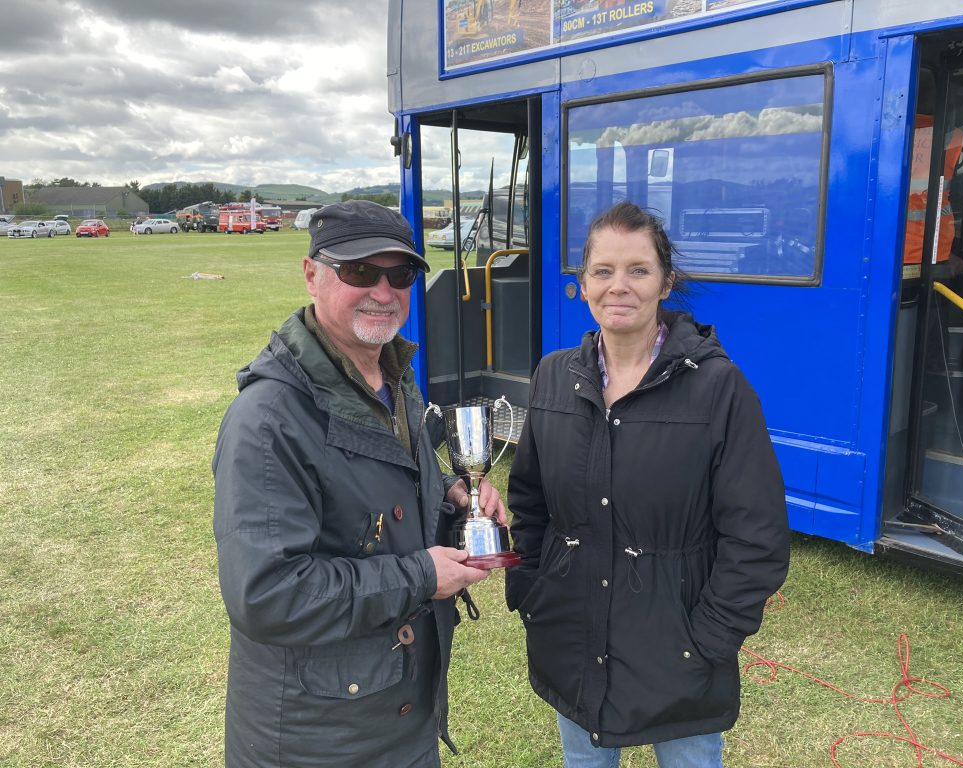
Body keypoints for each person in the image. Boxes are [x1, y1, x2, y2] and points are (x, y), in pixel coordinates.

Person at [212, 200, 505, 768]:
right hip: (317, 737)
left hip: (401, 711)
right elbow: (267, 594)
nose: (383, 291)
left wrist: (452, 495)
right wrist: (423, 574)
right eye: (359, 271)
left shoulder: (392, 374)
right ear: (311, 274)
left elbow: (377, 490)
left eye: (400, 275)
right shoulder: (267, 419)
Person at [505, 201, 790, 767]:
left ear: (666, 283)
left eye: (638, 270)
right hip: (573, 641)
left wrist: (708, 638)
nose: (619, 286)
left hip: (680, 653)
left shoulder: (719, 390)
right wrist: (534, 591)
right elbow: (530, 502)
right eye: (603, 271)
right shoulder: (553, 378)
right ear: (582, 283)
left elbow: (756, 537)